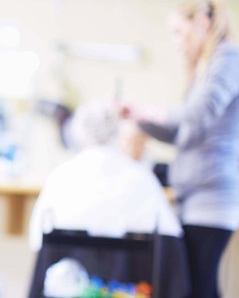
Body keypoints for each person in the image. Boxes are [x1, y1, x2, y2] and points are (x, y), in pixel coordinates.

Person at [119, 0, 239, 298]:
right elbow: (184, 131)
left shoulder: (229, 58)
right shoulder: (207, 67)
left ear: (202, 23)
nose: (176, 42)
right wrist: (140, 119)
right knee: (200, 287)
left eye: (178, 32)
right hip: (195, 200)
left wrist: (152, 112)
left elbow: (200, 112)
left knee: (197, 288)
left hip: (212, 202)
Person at [28, 100, 182, 253]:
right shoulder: (141, 178)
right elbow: (171, 239)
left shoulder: (61, 177)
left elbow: (37, 240)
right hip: (130, 276)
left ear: (78, 133)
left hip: (69, 272)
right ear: (118, 133)